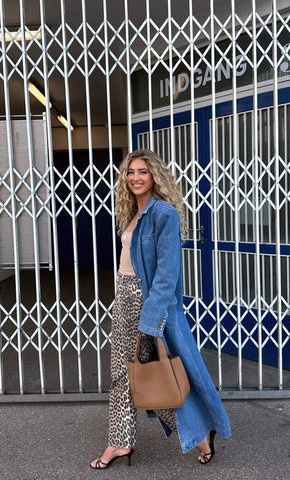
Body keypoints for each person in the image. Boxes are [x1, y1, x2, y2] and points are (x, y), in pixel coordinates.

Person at [90, 149, 231, 470]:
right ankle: (120, 442)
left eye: (142, 171)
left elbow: (167, 274)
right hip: (124, 299)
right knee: (121, 377)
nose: (135, 177)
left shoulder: (164, 213)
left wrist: (150, 323)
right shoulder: (130, 213)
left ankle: (199, 434)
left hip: (148, 304)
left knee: (157, 375)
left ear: (155, 176)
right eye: (130, 172)